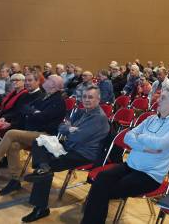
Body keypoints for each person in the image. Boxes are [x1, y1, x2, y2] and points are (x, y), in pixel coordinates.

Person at [80, 87, 169, 224]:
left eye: (163, 98)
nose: (158, 100)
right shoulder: (151, 119)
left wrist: (140, 138)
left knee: (105, 189)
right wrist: (146, 147)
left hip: (149, 175)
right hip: (130, 166)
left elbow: (159, 145)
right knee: (101, 178)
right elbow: (128, 137)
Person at [0, 76, 66, 192]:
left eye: (48, 80)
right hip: (33, 131)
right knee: (13, 145)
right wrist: (33, 112)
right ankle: (15, 180)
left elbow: (42, 117)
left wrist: (33, 113)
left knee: (11, 134)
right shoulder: (45, 96)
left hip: (45, 135)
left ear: (54, 85)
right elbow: (24, 108)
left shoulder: (58, 101)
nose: (45, 81)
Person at [21, 86, 110, 222]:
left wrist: (69, 130)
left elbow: (77, 138)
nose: (86, 100)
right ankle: (42, 168)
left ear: (98, 99)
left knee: (48, 165)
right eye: (84, 96)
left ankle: (40, 208)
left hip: (83, 154)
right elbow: (61, 126)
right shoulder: (82, 112)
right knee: (39, 142)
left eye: (90, 97)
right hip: (69, 147)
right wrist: (70, 129)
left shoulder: (99, 118)